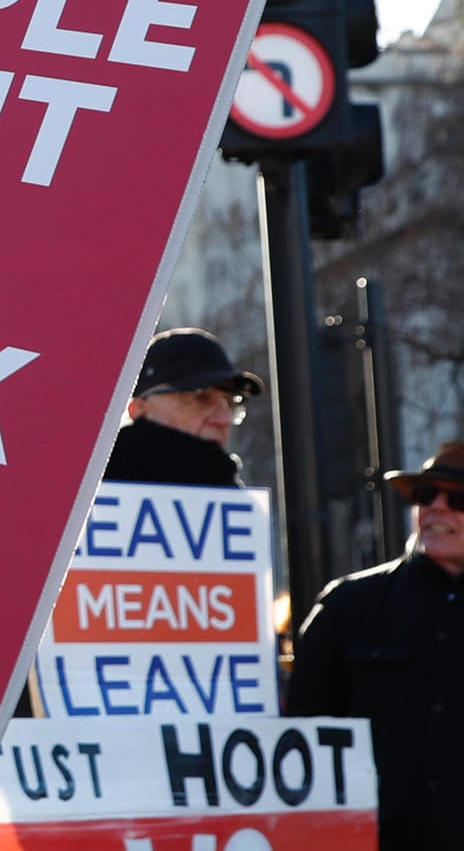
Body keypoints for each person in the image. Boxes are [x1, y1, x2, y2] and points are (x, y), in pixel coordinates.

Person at [286, 440, 464, 850]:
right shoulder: (348, 606)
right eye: (424, 495)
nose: (436, 507)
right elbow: (302, 734)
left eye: (458, 498)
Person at [103, 327, 263, 487]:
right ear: (138, 409)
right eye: (201, 396)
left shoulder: (237, 499)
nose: (224, 419)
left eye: (231, 402)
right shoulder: (89, 497)